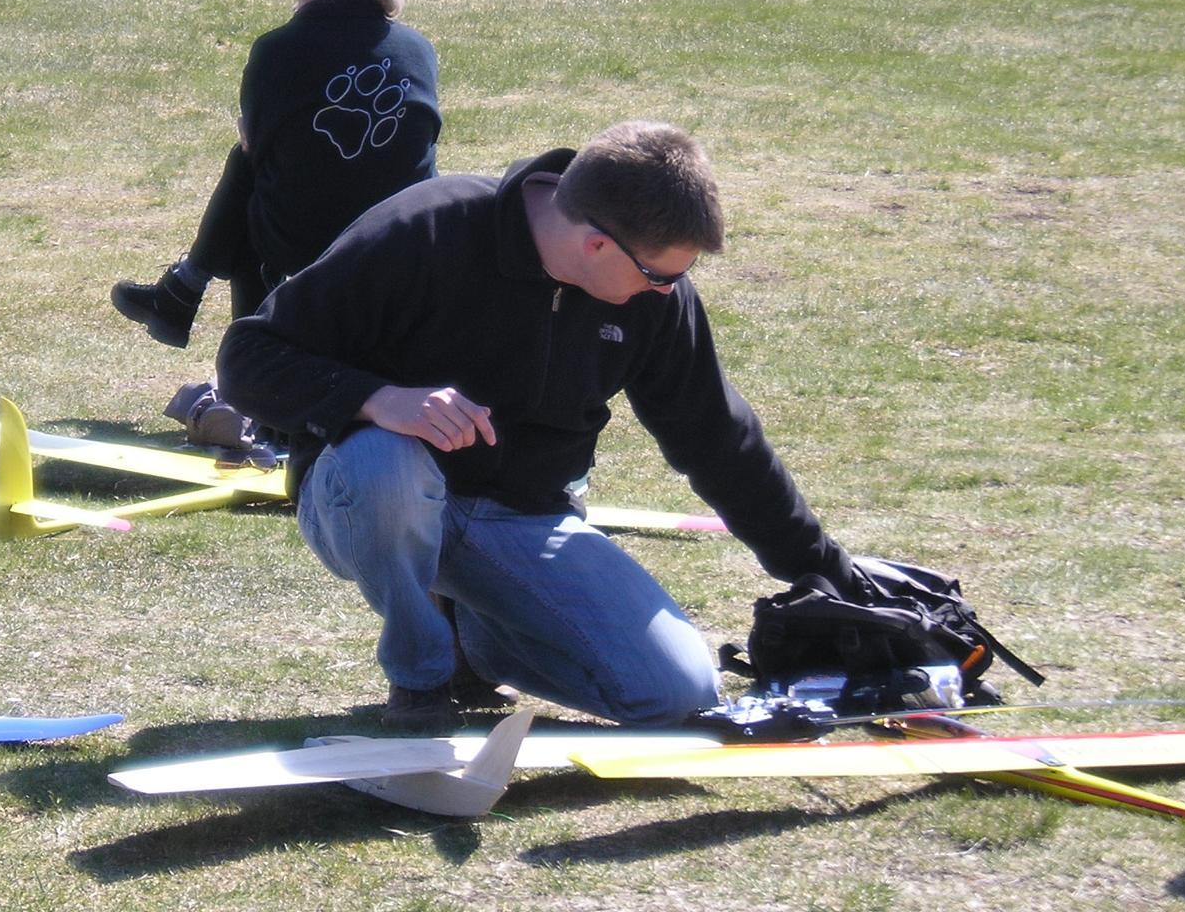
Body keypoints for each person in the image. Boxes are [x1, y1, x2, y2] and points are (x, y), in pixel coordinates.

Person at [216, 121, 864, 732]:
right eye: (659, 275)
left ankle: (481, 642)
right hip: (363, 495)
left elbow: (718, 439)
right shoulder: (427, 228)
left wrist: (827, 572)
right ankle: (421, 679)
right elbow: (247, 358)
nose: (669, 291)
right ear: (596, 244)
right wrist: (377, 400)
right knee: (388, 463)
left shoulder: (655, 299)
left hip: (524, 517)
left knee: (679, 693)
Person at [112, 0, 440, 348]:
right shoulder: (419, 49)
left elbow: (258, 150)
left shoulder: (278, 50)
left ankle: (239, 338)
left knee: (252, 191)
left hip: (314, 243)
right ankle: (181, 293)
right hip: (406, 234)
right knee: (274, 176)